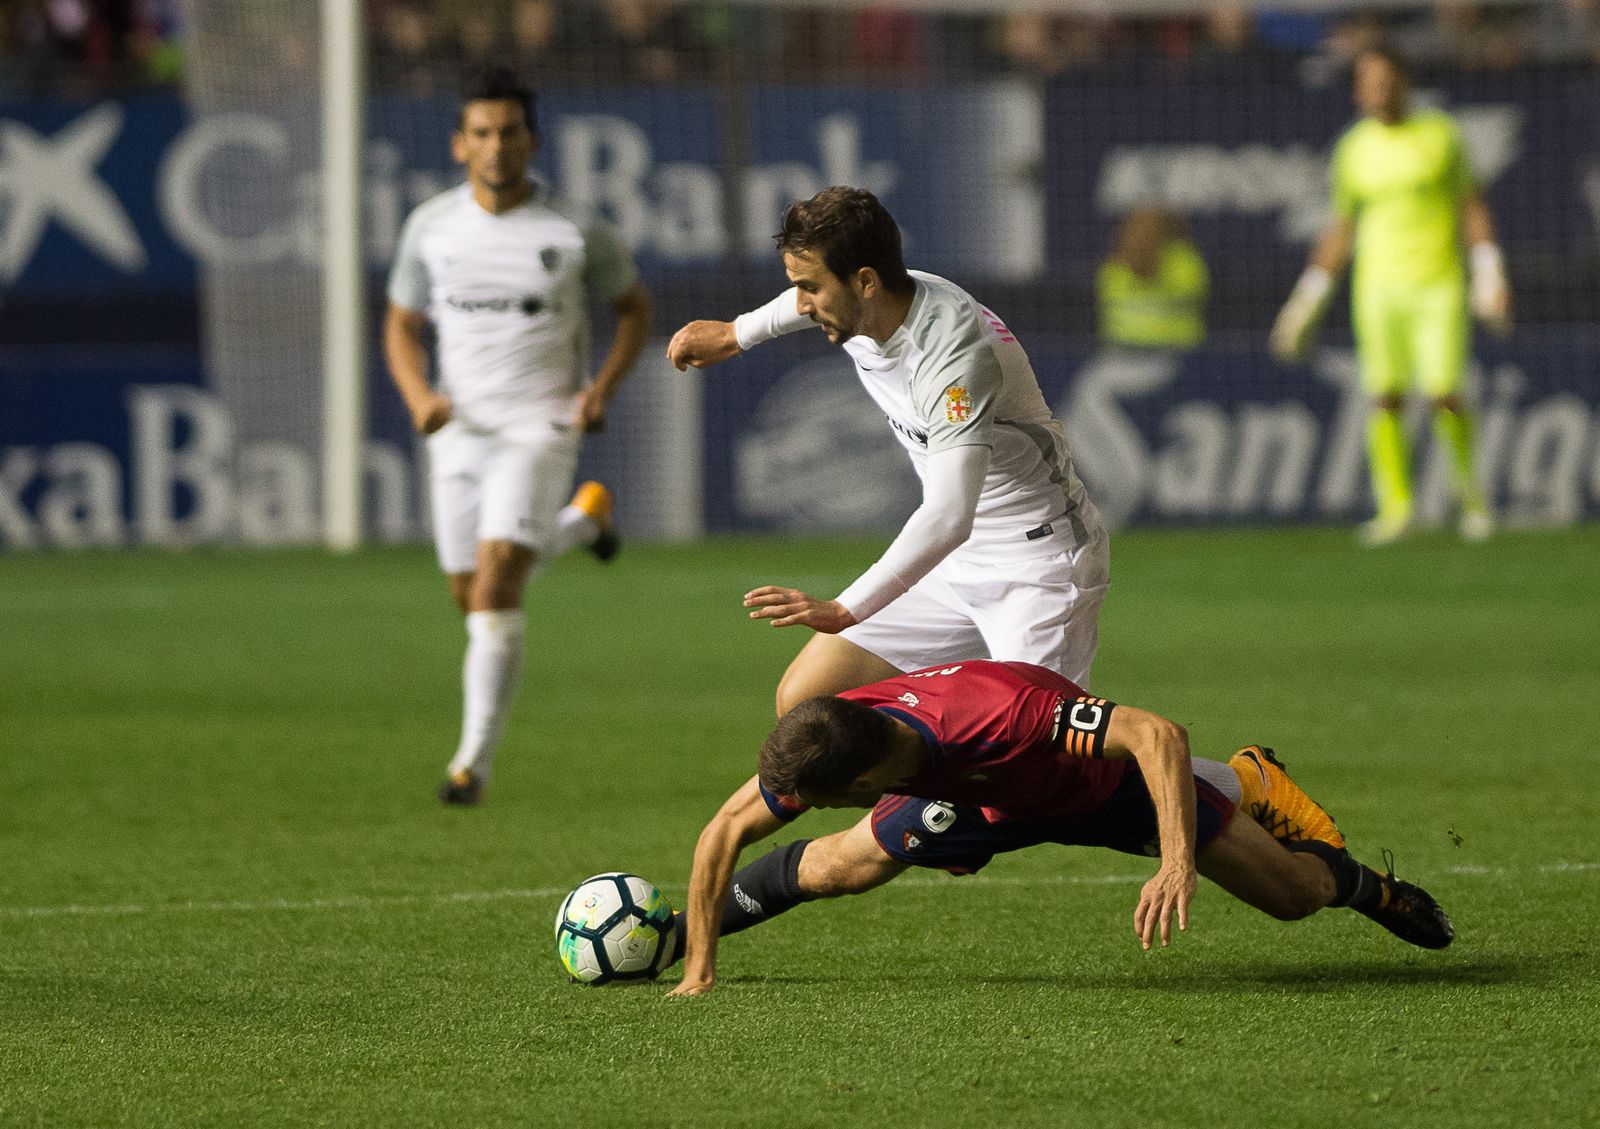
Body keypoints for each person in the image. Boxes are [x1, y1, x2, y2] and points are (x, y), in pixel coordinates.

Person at [666, 660, 1453, 996]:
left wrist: (1176, 862)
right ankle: (669, 936)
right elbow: (725, 827)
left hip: (1108, 790)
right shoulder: (837, 735)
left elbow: (1156, 734)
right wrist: (697, 964)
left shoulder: (1003, 719)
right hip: (985, 801)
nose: (818, 805)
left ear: (870, 781)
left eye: (834, 800)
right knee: (845, 864)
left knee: (1293, 895)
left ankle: (1327, 852)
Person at [666, 187, 1110, 717]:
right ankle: (920, 800)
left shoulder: (952, 357)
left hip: (1036, 565)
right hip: (951, 567)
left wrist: (844, 607)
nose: (804, 303)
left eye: (811, 287)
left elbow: (948, 517)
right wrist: (737, 333)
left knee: (1038, 758)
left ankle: (1227, 785)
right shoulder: (861, 307)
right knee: (808, 703)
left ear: (866, 282)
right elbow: (803, 303)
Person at [384, 67, 654, 804]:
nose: (495, 146)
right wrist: (417, 395)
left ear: (531, 141)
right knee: (470, 594)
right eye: (481, 133)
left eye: (508, 132)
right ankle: (583, 522)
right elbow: (402, 323)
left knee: (498, 579)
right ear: (458, 144)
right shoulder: (431, 227)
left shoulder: (574, 228)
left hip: (540, 424)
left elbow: (634, 308)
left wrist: (599, 391)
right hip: (458, 428)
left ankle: (470, 764)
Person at [1270, 45, 1509, 546]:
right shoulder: (1354, 147)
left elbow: (1471, 206)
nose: (1374, 89)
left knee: (1445, 389)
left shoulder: (1441, 135)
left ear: (1403, 81)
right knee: (1385, 397)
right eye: (1365, 80)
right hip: (1377, 290)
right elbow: (1341, 227)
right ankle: (1396, 510)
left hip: (1438, 284)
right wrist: (1306, 300)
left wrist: (1489, 272)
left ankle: (1472, 500)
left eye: (1383, 79)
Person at [1097, 207, 1209, 351]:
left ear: (1164, 228)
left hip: (1180, 353)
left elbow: (1191, 293)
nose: (1143, 234)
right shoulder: (1114, 267)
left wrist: (1153, 268)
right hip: (1122, 353)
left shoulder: (1184, 260)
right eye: (1137, 228)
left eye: (1150, 227)